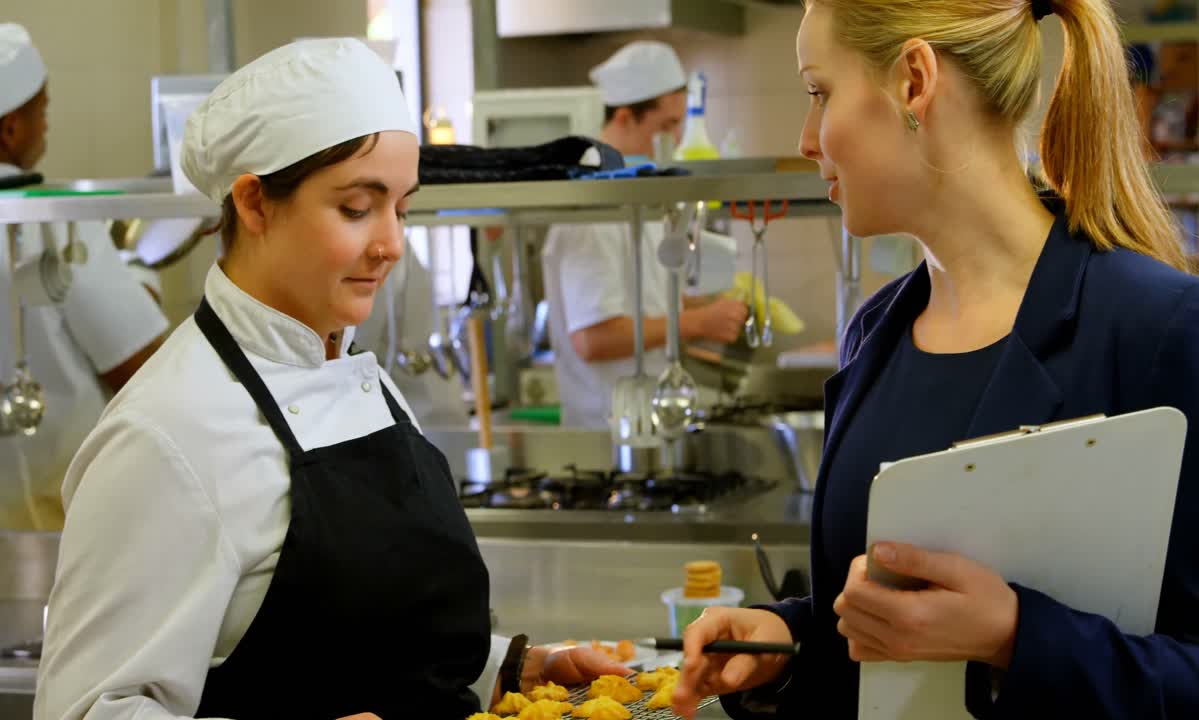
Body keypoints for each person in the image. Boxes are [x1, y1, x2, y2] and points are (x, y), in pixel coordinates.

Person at [674, 0, 1199, 718]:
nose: (806, 139)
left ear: (914, 81)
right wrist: (787, 641)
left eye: (818, 92)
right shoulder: (877, 332)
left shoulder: (1163, 328)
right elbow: (895, 635)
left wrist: (1017, 638)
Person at [35, 38, 627, 720]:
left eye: (401, 207)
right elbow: (81, 711)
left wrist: (507, 668)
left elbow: (363, 626)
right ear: (255, 204)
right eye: (356, 207)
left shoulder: (354, 374)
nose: (392, 244)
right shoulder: (165, 435)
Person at [0, 22, 168, 530]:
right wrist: (141, 271)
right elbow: (142, 366)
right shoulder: (55, 220)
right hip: (62, 516)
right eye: (42, 111)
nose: (47, 126)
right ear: (10, 128)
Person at [541, 40, 749, 428]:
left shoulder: (639, 194)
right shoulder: (594, 203)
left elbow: (643, 299)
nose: (673, 139)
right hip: (605, 429)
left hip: (647, 420)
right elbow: (592, 338)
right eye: (665, 127)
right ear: (624, 117)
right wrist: (698, 323)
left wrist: (696, 305)